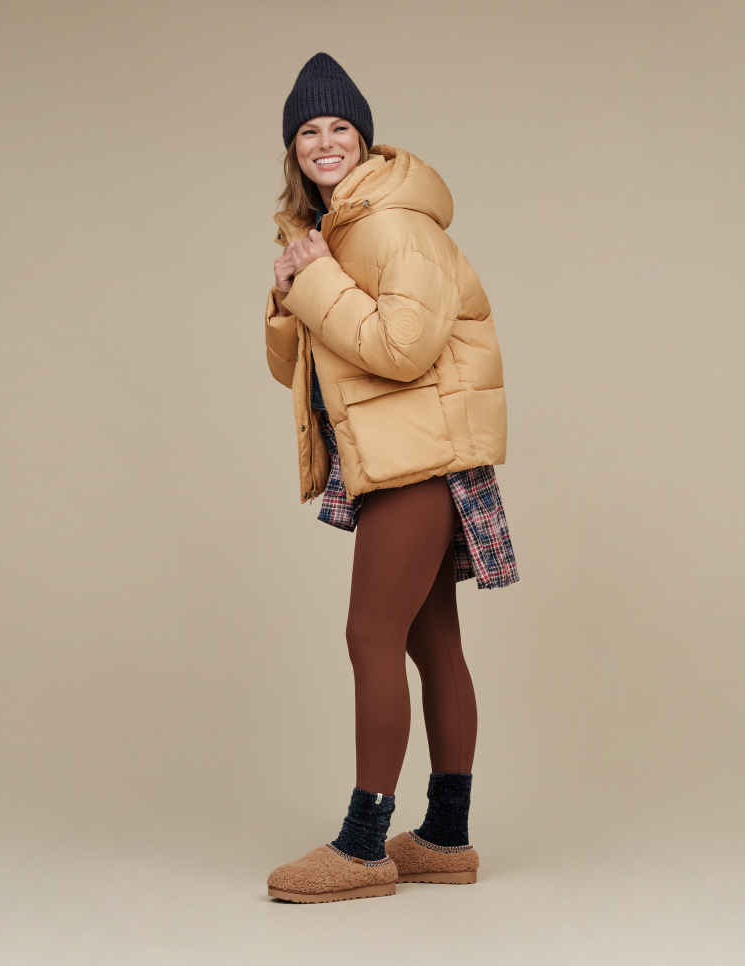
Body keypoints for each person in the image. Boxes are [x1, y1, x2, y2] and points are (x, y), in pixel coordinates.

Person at [264, 52, 520, 903]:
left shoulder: (393, 225)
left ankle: (364, 845)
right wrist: (288, 295)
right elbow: (300, 371)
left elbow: (403, 351)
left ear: (366, 139)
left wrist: (316, 282)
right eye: (308, 130)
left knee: (370, 637)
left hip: (421, 457)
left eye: (340, 127)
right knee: (429, 639)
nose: (324, 142)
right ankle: (446, 838)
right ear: (293, 149)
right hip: (402, 454)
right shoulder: (336, 233)